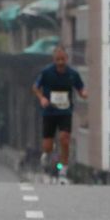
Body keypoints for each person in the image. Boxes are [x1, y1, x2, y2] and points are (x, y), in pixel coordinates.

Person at [32, 46, 88, 183]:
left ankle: (64, 169)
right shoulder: (46, 72)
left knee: (64, 139)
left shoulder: (73, 74)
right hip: (49, 112)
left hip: (65, 111)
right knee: (48, 145)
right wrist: (42, 98)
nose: (60, 62)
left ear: (67, 59)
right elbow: (35, 87)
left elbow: (81, 88)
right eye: (58, 59)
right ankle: (46, 154)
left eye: (63, 59)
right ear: (54, 59)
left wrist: (84, 94)